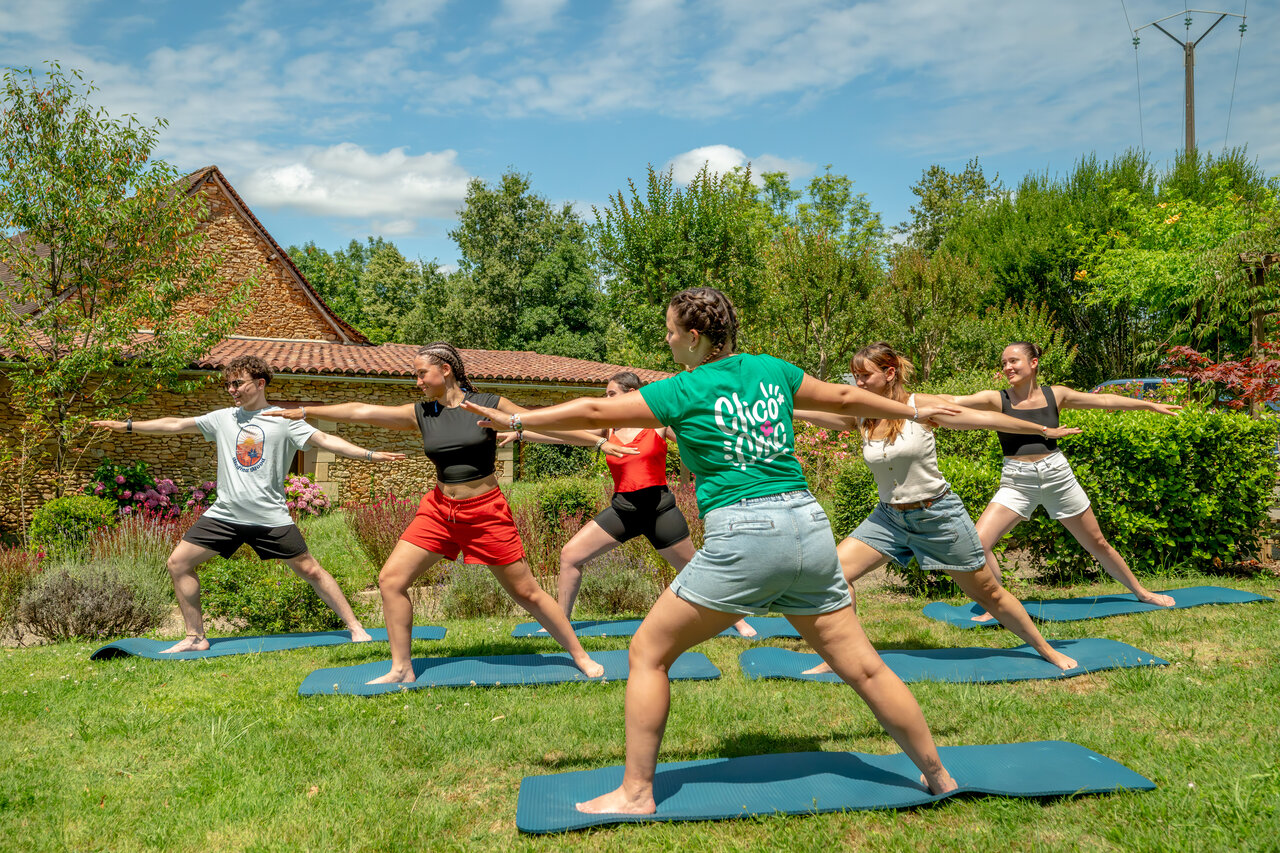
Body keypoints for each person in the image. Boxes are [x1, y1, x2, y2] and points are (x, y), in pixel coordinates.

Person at [464, 288, 961, 815]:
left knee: (647, 654)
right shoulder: (772, 369)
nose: (667, 338)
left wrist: (517, 421)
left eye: (671, 330)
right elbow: (842, 400)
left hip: (747, 532)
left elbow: (592, 408)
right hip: (808, 525)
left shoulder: (682, 388)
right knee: (864, 668)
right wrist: (911, 411)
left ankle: (635, 794)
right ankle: (939, 775)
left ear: (695, 337)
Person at [265, 342, 629, 683]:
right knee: (391, 580)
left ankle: (578, 655)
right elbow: (363, 412)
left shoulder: (487, 403)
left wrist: (598, 441)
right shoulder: (422, 413)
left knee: (527, 593)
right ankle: (401, 668)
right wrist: (306, 411)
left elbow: (539, 421)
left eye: (422, 374)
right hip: (439, 510)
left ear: (446, 370)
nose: (418, 381)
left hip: (486, 511)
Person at [795, 343, 1081, 674]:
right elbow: (820, 415)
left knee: (989, 594)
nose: (858, 384)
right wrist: (783, 408)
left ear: (889, 374)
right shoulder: (863, 414)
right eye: (855, 377)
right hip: (888, 518)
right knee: (835, 576)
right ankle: (844, 658)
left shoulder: (920, 406)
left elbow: (984, 418)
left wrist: (1042, 429)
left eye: (865, 376)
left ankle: (1046, 650)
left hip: (937, 516)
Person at [90, 355, 405, 653]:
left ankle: (355, 627)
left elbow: (325, 441)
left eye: (238, 383)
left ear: (260, 383)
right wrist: (128, 426)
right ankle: (195, 636)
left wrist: (370, 454)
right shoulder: (222, 418)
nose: (232, 390)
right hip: (225, 514)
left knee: (310, 570)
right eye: (228, 384)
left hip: (269, 516)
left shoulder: (283, 419)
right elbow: (175, 424)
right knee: (178, 563)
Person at [513, 371, 758, 638]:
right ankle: (561, 622)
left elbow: (697, 442)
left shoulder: (658, 423)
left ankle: (738, 619)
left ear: (630, 395)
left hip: (659, 512)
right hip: (623, 512)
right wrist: (521, 435)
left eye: (611, 394)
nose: (606, 400)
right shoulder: (607, 428)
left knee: (696, 569)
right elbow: (564, 435)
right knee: (570, 556)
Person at [950, 342, 1179, 621]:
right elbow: (952, 401)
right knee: (978, 544)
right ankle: (996, 603)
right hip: (1017, 481)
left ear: (1033, 362)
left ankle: (1142, 593)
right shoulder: (997, 399)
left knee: (1097, 543)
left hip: (1057, 476)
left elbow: (1104, 400)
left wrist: (1149, 405)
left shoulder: (1055, 394)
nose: (1007, 367)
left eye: (1014, 361)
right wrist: (903, 402)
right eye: (1004, 363)